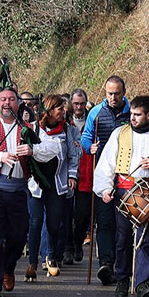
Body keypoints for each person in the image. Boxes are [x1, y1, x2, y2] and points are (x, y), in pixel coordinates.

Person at [93, 95, 149, 297]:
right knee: (122, 238)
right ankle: (123, 279)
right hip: (124, 190)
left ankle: (142, 283)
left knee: (147, 239)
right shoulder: (119, 134)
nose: (132, 118)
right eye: (131, 114)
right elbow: (106, 164)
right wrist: (104, 189)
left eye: (137, 115)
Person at [0, 88, 57, 297]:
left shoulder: (31, 128)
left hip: (19, 190)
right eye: (3, 100)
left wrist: (32, 150)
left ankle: (8, 268)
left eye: (11, 99)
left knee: (18, 237)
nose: (6, 103)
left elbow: (53, 148)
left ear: (18, 104)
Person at [80, 75, 131, 286]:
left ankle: (121, 264)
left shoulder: (131, 114)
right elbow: (85, 137)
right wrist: (88, 147)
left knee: (124, 224)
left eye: (117, 93)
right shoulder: (95, 113)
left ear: (123, 93)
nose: (112, 97)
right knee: (104, 220)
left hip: (126, 176)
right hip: (103, 175)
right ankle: (106, 263)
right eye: (109, 93)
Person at [25, 94, 80, 280]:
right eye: (60, 109)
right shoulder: (33, 129)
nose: (63, 112)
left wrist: (72, 176)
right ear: (48, 111)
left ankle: (50, 256)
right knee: (35, 222)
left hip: (57, 184)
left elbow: (73, 156)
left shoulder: (66, 129)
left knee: (55, 224)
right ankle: (32, 262)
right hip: (37, 184)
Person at [66, 88, 91, 264]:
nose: (79, 107)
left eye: (82, 104)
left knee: (82, 215)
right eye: (76, 104)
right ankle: (67, 247)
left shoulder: (93, 120)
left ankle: (77, 241)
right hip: (67, 173)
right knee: (66, 213)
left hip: (87, 174)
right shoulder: (65, 121)